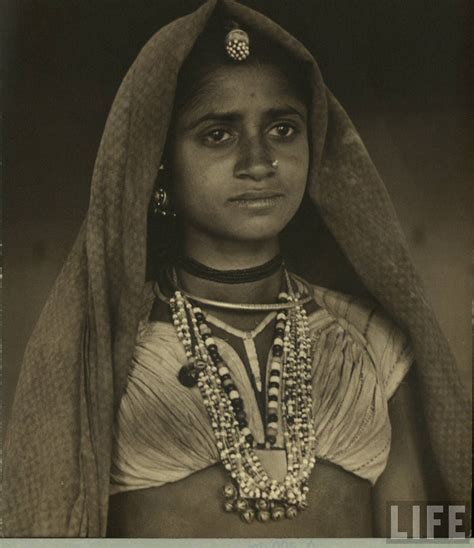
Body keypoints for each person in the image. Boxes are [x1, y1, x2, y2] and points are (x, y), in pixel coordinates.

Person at [3, 0, 470, 538]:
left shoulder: (372, 345)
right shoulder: (107, 342)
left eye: (283, 130)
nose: (258, 162)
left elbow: (418, 532)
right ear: (160, 163)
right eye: (218, 134)